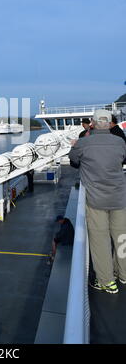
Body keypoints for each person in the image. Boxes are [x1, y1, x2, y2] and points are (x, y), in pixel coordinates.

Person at [69, 109, 126, 294]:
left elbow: (74, 162)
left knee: (100, 239)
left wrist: (75, 146)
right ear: (110, 123)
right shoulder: (120, 142)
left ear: (92, 123)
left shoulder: (84, 143)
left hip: (95, 199)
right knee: (121, 237)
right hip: (119, 196)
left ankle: (106, 281)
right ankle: (124, 274)